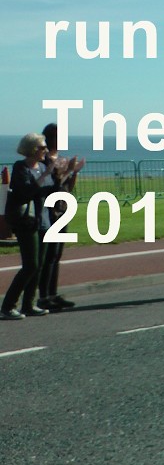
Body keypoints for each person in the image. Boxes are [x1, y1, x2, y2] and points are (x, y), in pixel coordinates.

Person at [4, 133, 81, 319]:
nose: (46, 150)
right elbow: (26, 192)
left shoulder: (43, 167)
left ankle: (28, 305)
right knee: (31, 265)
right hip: (27, 222)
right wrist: (47, 173)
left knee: (38, 266)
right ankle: (7, 306)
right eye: (42, 147)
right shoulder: (21, 168)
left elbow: (54, 189)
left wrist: (70, 172)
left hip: (44, 220)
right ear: (32, 149)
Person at [37, 122, 83, 311]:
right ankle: (44, 296)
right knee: (48, 255)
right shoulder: (45, 161)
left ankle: (53, 293)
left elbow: (67, 188)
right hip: (50, 210)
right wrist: (69, 170)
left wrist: (74, 173)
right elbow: (52, 184)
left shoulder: (61, 159)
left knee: (56, 254)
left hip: (63, 208)